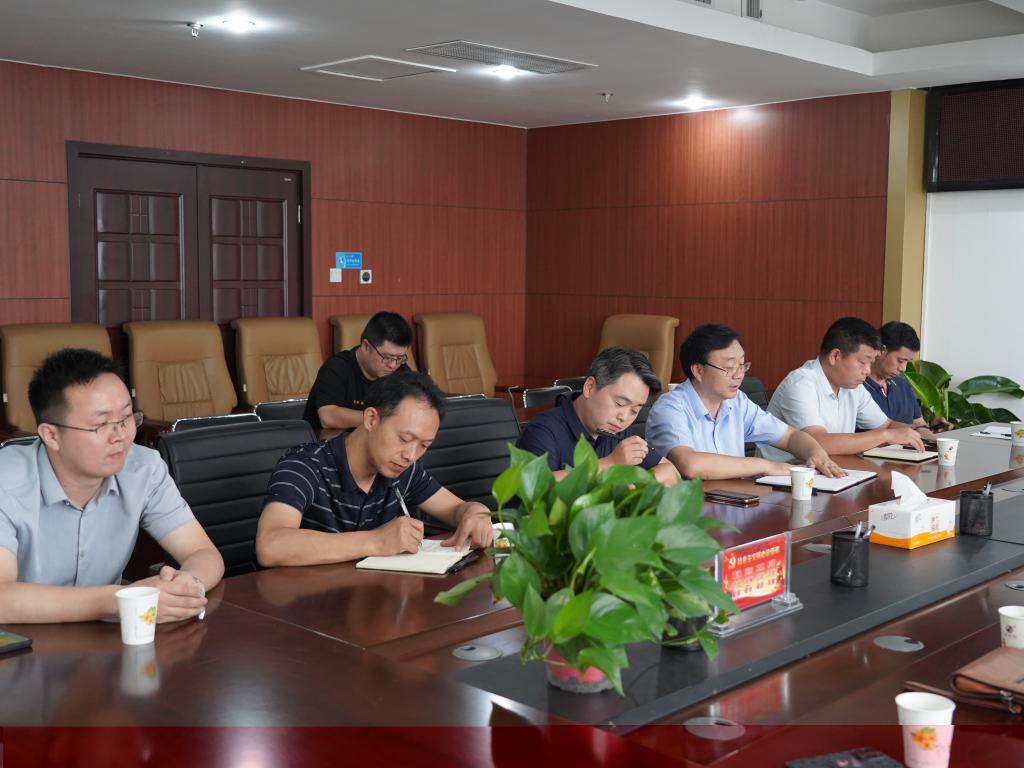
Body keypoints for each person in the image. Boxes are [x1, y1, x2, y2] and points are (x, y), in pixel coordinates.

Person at [0, 349, 223, 624]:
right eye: (101, 425)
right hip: (21, 640)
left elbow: (203, 553)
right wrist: (116, 600)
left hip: (106, 638)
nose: (121, 436)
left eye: (127, 418)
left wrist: (188, 585)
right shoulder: (6, 481)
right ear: (51, 435)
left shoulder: (143, 468)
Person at [257, 370, 494, 566]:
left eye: (424, 445)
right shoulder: (304, 466)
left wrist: (476, 513)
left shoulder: (405, 471)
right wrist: (377, 541)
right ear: (371, 419)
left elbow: (457, 508)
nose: (411, 455)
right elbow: (271, 546)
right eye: (404, 439)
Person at [647, 324, 842, 480]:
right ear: (698, 370)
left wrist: (816, 453)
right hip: (690, 510)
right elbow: (690, 465)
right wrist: (766, 466)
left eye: (742, 365)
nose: (739, 375)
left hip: (735, 503)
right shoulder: (671, 407)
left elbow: (791, 436)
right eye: (729, 367)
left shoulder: (737, 402)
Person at [759, 317, 926, 462]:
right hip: (782, 477)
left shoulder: (853, 387)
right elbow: (818, 442)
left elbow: (886, 425)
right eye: (863, 362)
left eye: (871, 363)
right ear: (835, 356)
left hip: (830, 471)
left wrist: (917, 435)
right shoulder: (800, 384)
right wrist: (886, 436)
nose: (868, 370)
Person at [516, 347, 679, 485]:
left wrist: (631, 490)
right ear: (589, 387)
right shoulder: (543, 430)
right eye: (620, 403)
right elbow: (537, 487)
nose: (624, 417)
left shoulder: (618, 432)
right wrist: (610, 464)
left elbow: (671, 472)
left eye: (635, 411)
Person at [303, 311, 413, 431]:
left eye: (400, 358)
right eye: (387, 357)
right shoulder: (337, 367)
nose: (393, 365)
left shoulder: (400, 369)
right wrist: (381, 420)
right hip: (327, 440)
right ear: (366, 346)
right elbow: (328, 417)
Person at [863, 321, 949, 438]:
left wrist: (933, 433)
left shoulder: (902, 384)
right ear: (881, 350)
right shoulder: (856, 387)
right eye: (900, 361)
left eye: (907, 362)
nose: (903, 368)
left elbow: (918, 424)